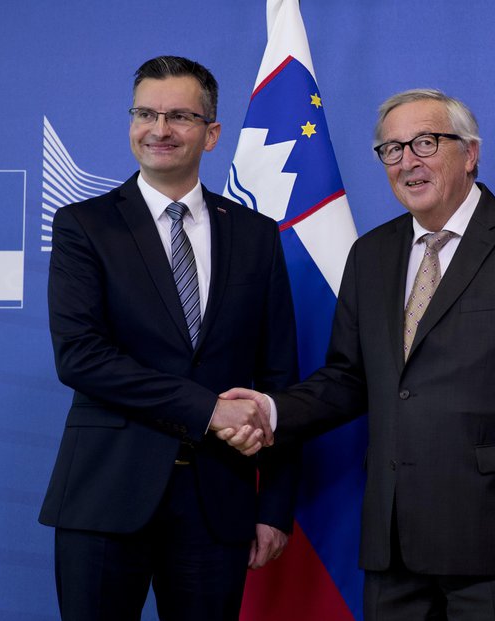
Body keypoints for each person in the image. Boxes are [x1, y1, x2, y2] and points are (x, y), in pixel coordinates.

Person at [222, 89, 495, 620]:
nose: (408, 161)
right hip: (394, 545)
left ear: (469, 153)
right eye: (392, 150)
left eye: (425, 142)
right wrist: (271, 411)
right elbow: (349, 379)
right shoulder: (371, 254)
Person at [39, 55, 300, 621]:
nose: (159, 130)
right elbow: (81, 357)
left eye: (179, 116)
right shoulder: (84, 225)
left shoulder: (256, 235)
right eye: (146, 113)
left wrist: (274, 506)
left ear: (211, 134)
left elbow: (280, 379)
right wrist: (209, 411)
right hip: (105, 495)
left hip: (220, 504)